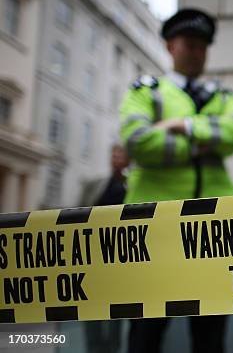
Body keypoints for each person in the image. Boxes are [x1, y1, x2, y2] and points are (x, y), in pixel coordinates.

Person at [119, 8, 233, 353]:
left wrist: (183, 126)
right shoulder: (147, 91)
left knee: (210, 337)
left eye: (203, 47)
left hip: (213, 229)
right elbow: (137, 142)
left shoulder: (223, 96)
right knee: (146, 333)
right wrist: (201, 144)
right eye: (189, 44)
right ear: (169, 46)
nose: (196, 52)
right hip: (154, 229)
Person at [78, 144, 129, 353]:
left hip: (121, 258)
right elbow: (79, 213)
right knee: (92, 309)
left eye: (121, 155)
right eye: (114, 154)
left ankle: (113, 348)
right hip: (95, 257)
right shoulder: (97, 185)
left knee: (116, 312)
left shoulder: (132, 187)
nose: (116, 158)